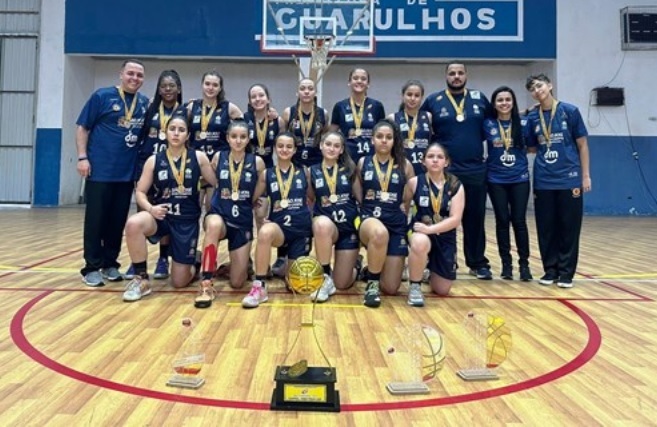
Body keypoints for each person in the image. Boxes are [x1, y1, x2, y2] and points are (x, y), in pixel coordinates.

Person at [122, 113, 217, 302]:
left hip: (186, 222)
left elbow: (217, 183)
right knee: (133, 223)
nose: (176, 133)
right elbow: (140, 192)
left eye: (181, 130)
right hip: (161, 217)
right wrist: (150, 209)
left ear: (188, 135)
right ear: (165, 133)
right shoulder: (154, 160)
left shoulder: (199, 158)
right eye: (172, 129)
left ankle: (195, 261)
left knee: (179, 282)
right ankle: (141, 279)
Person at [76, 59, 149, 287]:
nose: (134, 78)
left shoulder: (145, 103)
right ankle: (91, 267)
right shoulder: (102, 96)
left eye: (139, 75)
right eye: (130, 73)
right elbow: (82, 127)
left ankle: (110, 264)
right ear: (121, 74)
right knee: (96, 221)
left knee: (117, 222)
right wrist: (82, 157)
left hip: (126, 174)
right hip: (100, 171)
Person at [421, 62, 494, 280]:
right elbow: (422, 129)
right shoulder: (433, 101)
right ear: (446, 76)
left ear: (466, 75)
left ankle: (477, 263)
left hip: (474, 168)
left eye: (460, 73)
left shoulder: (480, 99)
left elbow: (491, 128)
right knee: (440, 216)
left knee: (475, 217)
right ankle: (442, 262)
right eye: (452, 73)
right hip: (445, 171)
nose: (456, 76)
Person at [524, 74, 591, 288]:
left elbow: (582, 145)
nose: (537, 90)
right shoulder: (533, 117)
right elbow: (533, 148)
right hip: (544, 180)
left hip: (569, 178)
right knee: (546, 227)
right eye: (532, 88)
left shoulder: (570, 111)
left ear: (550, 85)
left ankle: (566, 273)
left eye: (540, 85)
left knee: (569, 227)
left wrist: (585, 175)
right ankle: (550, 270)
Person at [196, 121, 265, 308]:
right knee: (213, 225)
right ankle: (206, 282)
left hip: (242, 221)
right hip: (220, 215)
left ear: (248, 139)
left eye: (242, 137)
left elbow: (259, 188)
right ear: (227, 138)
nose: (238, 140)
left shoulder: (257, 162)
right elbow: (213, 182)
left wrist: (254, 203)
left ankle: (230, 267)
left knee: (237, 283)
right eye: (234, 136)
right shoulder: (219, 157)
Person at [124, 69, 184, 281]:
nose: (168, 90)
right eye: (163, 86)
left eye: (172, 86)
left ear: (179, 89)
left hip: (173, 170)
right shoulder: (149, 109)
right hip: (148, 166)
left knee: (164, 213)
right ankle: (137, 263)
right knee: (144, 213)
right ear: (158, 89)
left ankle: (163, 259)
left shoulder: (184, 111)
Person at [244, 132, 313, 308]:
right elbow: (252, 198)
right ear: (275, 149)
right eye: (280, 146)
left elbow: (313, 198)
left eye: (289, 146)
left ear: (295, 149)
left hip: (301, 231)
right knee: (265, 232)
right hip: (279, 229)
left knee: (295, 286)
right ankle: (260, 286)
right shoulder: (267, 174)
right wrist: (260, 213)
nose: (284, 149)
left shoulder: (304, 172)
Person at [357, 119, 414, 308]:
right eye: (379, 136)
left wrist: (404, 207)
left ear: (394, 140)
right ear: (372, 139)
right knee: (379, 233)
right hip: (370, 219)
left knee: (391, 288)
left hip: (396, 224)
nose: (384, 140)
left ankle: (370, 270)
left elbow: (408, 196)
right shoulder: (363, 162)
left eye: (388, 137)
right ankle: (372, 285)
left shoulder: (405, 165)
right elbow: (358, 193)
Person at [405, 144, 465, 306]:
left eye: (439, 157)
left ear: (446, 162)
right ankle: (415, 286)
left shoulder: (455, 185)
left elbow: (455, 219)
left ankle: (427, 270)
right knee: (419, 242)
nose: (435, 160)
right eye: (430, 156)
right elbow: (403, 208)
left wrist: (430, 229)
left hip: (444, 235)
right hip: (421, 233)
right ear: (423, 161)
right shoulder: (414, 183)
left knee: (442, 289)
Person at [484, 86, 533, 281]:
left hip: (519, 178)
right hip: (495, 179)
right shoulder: (487, 124)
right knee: (502, 220)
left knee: (519, 221)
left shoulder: (523, 123)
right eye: (500, 100)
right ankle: (506, 264)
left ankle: (524, 265)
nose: (504, 103)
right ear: (494, 104)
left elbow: (531, 147)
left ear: (513, 102)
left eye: (508, 99)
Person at [308, 131, 361, 302]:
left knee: (343, 283)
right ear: (321, 145)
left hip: (348, 229)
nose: (332, 148)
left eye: (336, 146)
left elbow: (361, 199)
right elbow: (310, 199)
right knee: (321, 224)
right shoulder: (311, 172)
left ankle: (356, 266)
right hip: (327, 227)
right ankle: (324, 277)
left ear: (341, 149)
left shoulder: (350, 170)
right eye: (328, 144)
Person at [187, 71, 243, 211]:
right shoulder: (191, 107)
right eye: (207, 84)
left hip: (217, 164)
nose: (210, 88)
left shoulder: (229, 108)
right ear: (202, 85)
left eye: (215, 85)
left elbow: (244, 129)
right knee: (192, 207)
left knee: (212, 207)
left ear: (220, 88)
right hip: (196, 164)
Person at [330, 68, 386, 164]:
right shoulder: (340, 106)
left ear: (368, 84)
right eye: (355, 78)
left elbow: (382, 133)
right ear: (349, 82)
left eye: (363, 79)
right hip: (348, 158)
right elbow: (331, 134)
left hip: (371, 157)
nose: (359, 81)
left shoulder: (377, 106)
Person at [388, 80, 433, 176]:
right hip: (401, 167)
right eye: (409, 94)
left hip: (424, 168)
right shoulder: (392, 118)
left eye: (417, 95)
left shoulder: (428, 117)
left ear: (421, 98)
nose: (413, 98)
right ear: (402, 96)